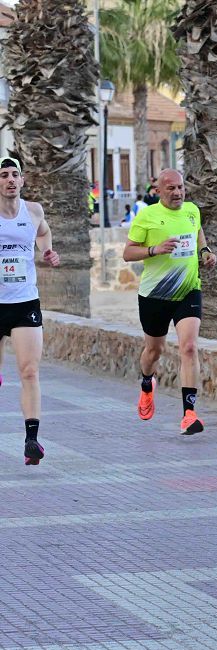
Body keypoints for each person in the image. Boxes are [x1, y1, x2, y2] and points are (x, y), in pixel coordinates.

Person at [123, 169, 217, 435]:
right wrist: (155, 249)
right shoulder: (147, 216)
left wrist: (205, 252)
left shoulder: (191, 210)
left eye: (180, 188)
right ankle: (146, 383)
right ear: (159, 191)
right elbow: (127, 253)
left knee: (188, 347)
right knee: (154, 351)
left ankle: (189, 413)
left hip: (188, 290)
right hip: (155, 294)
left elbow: (198, 234)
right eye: (171, 189)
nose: (177, 193)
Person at [0, 157, 61, 465]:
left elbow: (43, 231)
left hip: (25, 302)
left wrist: (46, 251)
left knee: (29, 370)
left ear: (22, 181)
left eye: (15, 175)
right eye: (4, 175)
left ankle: (32, 441)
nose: (10, 180)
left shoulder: (33, 211)